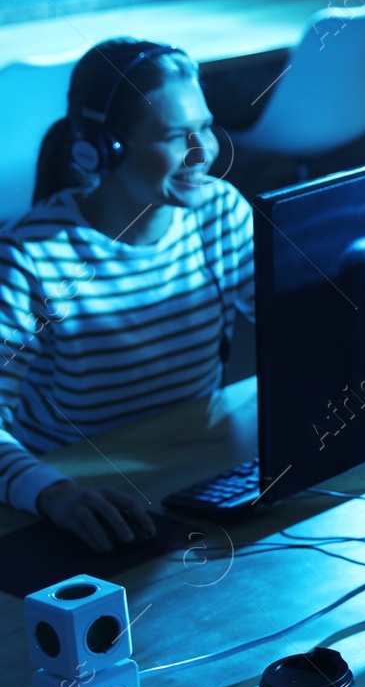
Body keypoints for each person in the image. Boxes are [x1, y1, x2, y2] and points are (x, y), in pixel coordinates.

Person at [6, 38, 254, 550]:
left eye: (204, 127)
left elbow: (299, 325)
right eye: (172, 136)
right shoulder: (29, 255)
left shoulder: (219, 213)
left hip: (196, 468)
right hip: (83, 492)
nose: (202, 153)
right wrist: (54, 493)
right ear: (102, 149)